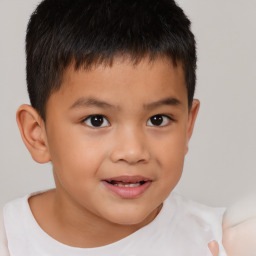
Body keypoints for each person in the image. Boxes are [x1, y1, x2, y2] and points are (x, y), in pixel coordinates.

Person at [1, 0, 254, 255]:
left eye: (158, 119)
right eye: (96, 120)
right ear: (38, 135)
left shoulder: (225, 242)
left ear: (188, 125)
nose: (133, 152)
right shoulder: (9, 240)